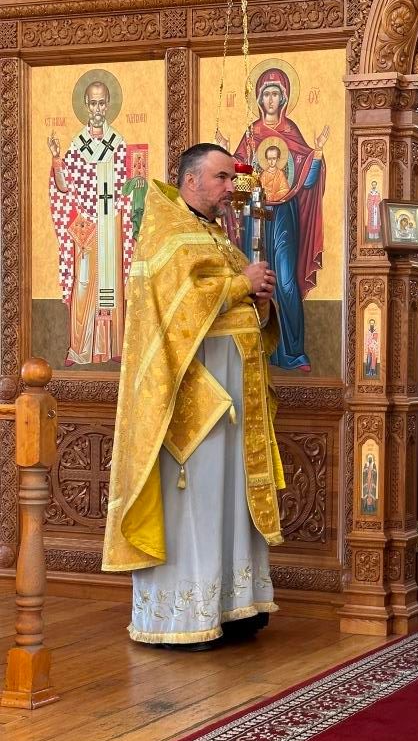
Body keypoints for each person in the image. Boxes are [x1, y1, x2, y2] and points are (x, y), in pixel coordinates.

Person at [102, 143, 284, 650]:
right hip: (193, 393)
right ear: (191, 180)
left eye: (231, 178)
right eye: (222, 177)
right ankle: (185, 619)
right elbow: (175, 311)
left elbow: (235, 305)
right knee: (197, 502)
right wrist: (239, 285)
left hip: (234, 391)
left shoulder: (216, 236)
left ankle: (233, 606)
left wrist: (259, 301)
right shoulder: (166, 233)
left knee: (229, 498)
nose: (231, 188)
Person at [235, 67, 328, 371]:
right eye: (266, 94)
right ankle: (254, 350)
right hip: (256, 215)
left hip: (285, 216)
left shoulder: (292, 132)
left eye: (276, 94)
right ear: (259, 99)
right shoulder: (251, 135)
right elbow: (238, 178)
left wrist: (317, 154)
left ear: (284, 98)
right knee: (255, 277)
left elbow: (306, 182)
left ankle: (292, 352)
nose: (271, 99)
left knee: (286, 281)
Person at [48, 79, 135, 365]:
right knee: (84, 283)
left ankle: (112, 347)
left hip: (111, 223)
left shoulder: (118, 143)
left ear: (108, 105)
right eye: (93, 103)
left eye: (102, 103)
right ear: (86, 105)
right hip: (86, 225)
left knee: (111, 285)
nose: (97, 109)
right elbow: (64, 188)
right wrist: (57, 159)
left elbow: (126, 186)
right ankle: (80, 348)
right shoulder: (77, 146)